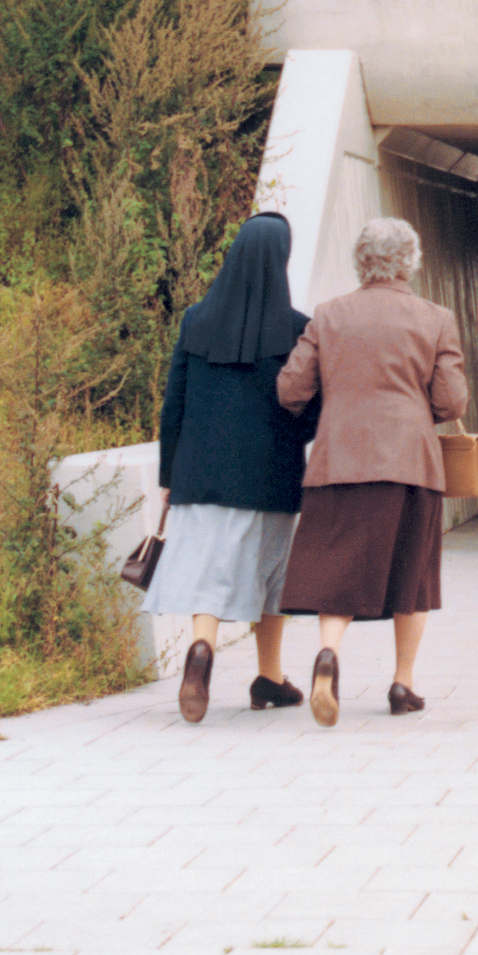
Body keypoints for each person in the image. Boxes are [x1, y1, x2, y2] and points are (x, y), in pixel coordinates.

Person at [276, 217, 468, 726]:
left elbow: (291, 390)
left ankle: (328, 653)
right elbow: (451, 402)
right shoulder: (436, 319)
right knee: (413, 575)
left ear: (361, 261)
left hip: (338, 460)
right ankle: (403, 683)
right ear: (411, 262)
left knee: (336, 566)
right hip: (410, 463)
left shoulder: (328, 315)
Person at [145, 211, 320, 723]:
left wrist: (169, 476)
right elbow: (310, 407)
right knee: (271, 573)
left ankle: (201, 649)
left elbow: (174, 404)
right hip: (269, 475)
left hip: (199, 475)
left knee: (209, 571)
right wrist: (295, 440)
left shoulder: (195, 320)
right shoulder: (298, 329)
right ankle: (269, 675)